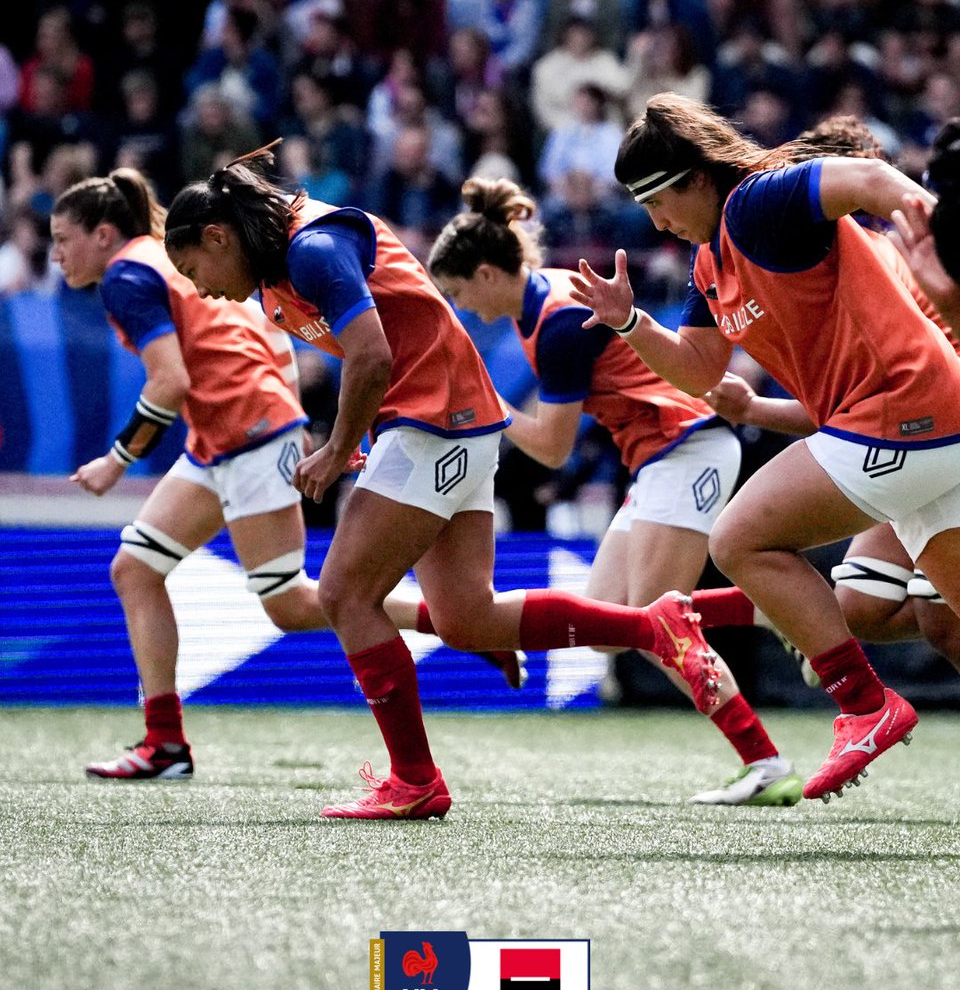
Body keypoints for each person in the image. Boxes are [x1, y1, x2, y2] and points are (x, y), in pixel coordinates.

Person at [162, 144, 723, 820]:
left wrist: (340, 447)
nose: (200, 290)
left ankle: (415, 779)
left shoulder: (311, 248)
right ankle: (652, 627)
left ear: (219, 236)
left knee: (343, 593)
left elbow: (373, 356)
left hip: (434, 422)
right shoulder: (282, 267)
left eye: (195, 270)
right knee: (468, 618)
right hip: (454, 423)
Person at [570, 93, 960, 803]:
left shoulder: (757, 203)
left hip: (903, 408)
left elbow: (872, 181)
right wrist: (628, 320)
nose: (656, 222)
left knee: (742, 539)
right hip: (915, 421)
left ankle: (864, 704)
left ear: (694, 180)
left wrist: (943, 234)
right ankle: (861, 698)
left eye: (659, 203)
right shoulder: (709, 263)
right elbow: (697, 369)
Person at [48, 167, 440, 782]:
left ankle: (456, 620)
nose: (55, 254)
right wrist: (286, 409)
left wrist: (115, 461)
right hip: (230, 434)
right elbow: (267, 323)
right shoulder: (169, 256)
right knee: (135, 568)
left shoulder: (128, 273)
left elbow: (170, 381)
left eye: (62, 237)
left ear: (102, 234)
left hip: (246, 432)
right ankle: (165, 743)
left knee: (289, 602)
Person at [428, 176, 803, 807]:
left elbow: (550, 446)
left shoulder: (556, 323)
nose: (466, 308)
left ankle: (766, 762)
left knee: (661, 624)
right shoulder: (539, 302)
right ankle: (764, 605)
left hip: (688, 447)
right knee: (610, 627)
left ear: (490, 274)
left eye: (461, 293)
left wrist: (484, 402)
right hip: (657, 460)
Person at [704, 117, 960, 679]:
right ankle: (790, 616)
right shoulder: (823, 274)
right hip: (920, 433)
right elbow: (846, 416)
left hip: (934, 431)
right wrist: (752, 410)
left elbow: (902, 393)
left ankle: (787, 627)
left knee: (929, 618)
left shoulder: (888, 260)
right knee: (868, 609)